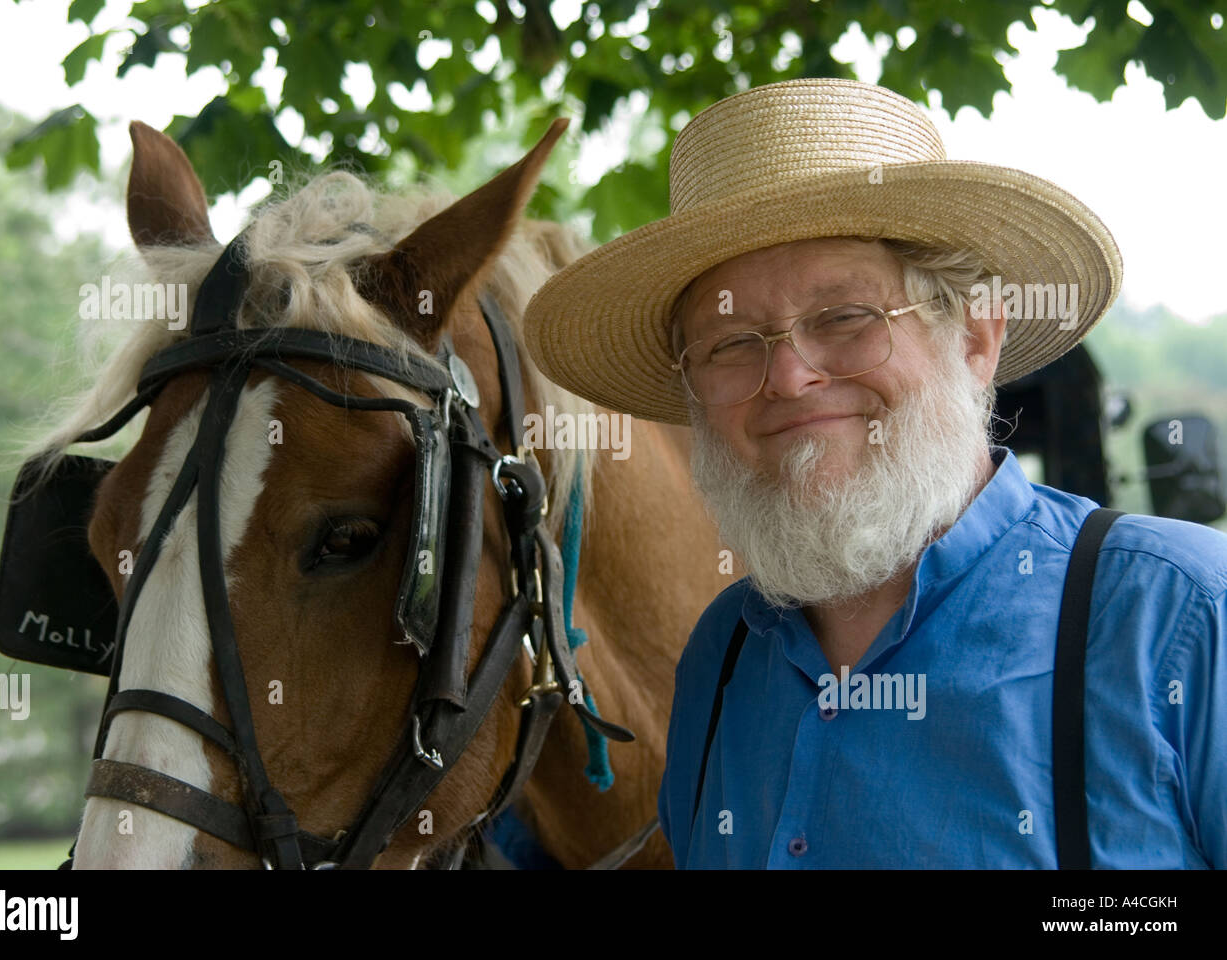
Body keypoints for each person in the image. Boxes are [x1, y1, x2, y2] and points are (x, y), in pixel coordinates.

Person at [523, 78, 1227, 868]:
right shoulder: (719, 659)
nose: (788, 377)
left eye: (845, 318)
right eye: (729, 342)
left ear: (975, 337)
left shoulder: (1184, 617)